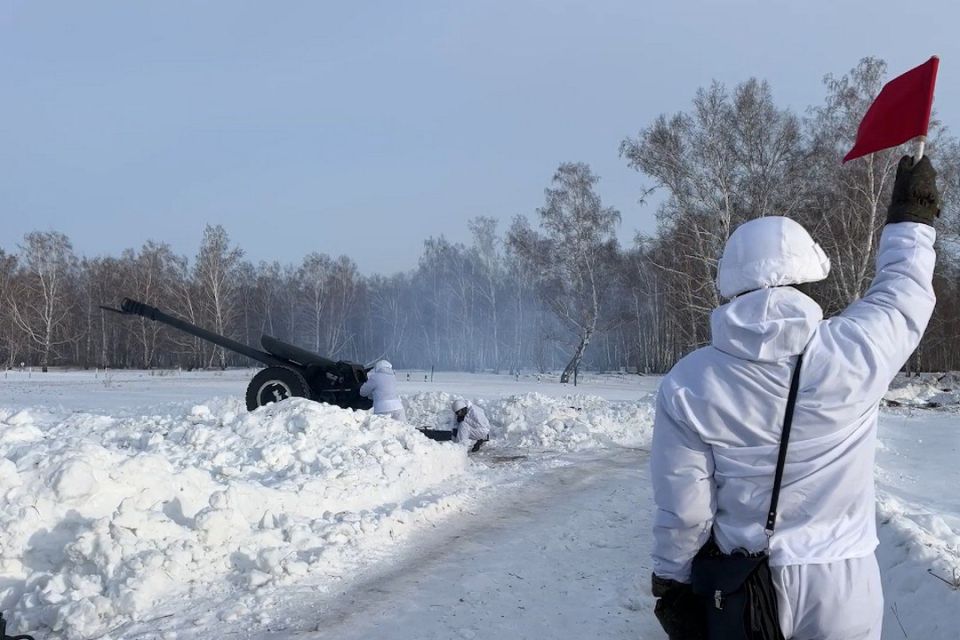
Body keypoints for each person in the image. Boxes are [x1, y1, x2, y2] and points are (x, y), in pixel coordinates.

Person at [650, 155, 939, 640]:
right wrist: (913, 216)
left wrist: (672, 577)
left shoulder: (690, 381)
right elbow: (905, 290)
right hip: (845, 580)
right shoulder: (855, 351)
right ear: (809, 278)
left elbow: (686, 508)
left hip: (745, 585)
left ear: (730, 286)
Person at [418, 398, 491, 452]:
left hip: (483, 431)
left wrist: (465, 419)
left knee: (463, 425)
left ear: (463, 409)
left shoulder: (475, 412)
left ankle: (461, 449)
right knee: (458, 430)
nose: (459, 415)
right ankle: (456, 446)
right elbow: (456, 425)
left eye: (459, 413)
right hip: (475, 430)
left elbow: (482, 426)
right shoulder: (461, 412)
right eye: (457, 413)